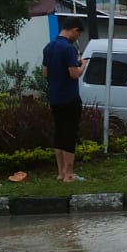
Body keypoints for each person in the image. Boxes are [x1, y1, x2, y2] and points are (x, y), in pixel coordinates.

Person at [41, 17, 86, 182]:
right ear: (74, 30)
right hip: (70, 98)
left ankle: (60, 172)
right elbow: (74, 74)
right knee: (70, 134)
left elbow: (45, 73)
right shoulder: (68, 48)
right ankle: (69, 173)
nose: (77, 38)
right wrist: (83, 66)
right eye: (78, 34)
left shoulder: (49, 47)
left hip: (55, 97)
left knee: (59, 133)